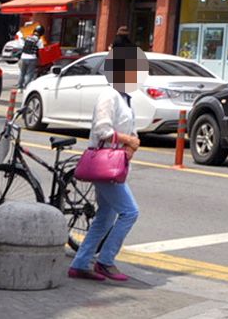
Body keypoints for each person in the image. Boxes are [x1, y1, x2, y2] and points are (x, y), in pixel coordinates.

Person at [69, 50, 144, 282]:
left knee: (105, 217)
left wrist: (133, 142)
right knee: (130, 212)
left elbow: (130, 128)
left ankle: (80, 264)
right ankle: (105, 261)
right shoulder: (109, 95)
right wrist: (128, 140)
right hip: (105, 164)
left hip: (116, 164)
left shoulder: (125, 98)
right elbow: (103, 130)